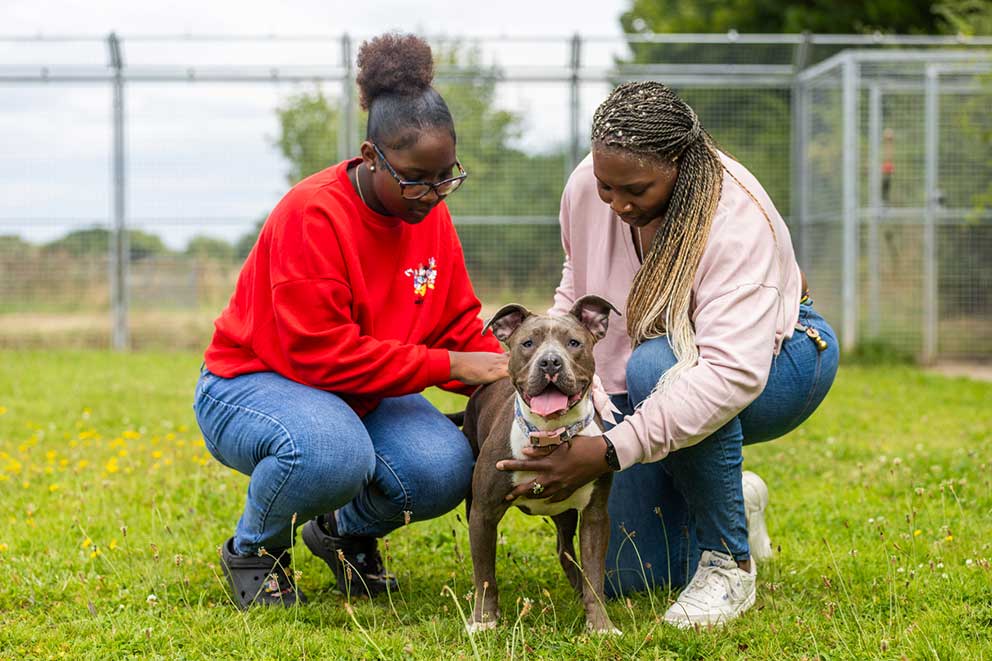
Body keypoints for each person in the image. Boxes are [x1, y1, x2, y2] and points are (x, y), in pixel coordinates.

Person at [496, 81, 839, 628]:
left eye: (634, 189)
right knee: (625, 575)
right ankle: (729, 493)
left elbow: (727, 374)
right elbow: (577, 275)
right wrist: (551, 348)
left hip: (782, 356)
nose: (617, 203)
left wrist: (608, 451)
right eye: (607, 188)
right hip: (661, 364)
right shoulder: (593, 182)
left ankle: (729, 561)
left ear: (679, 162)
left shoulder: (734, 219)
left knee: (658, 366)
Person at [193, 33, 508, 609]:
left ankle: (343, 534)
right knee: (332, 454)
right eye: (415, 178)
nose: (432, 195)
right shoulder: (312, 214)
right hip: (254, 382)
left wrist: (514, 377)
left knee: (444, 466)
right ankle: (254, 550)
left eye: (446, 177)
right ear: (370, 157)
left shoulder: (428, 213)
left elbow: (456, 323)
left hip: (360, 390)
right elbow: (321, 354)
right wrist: (448, 364)